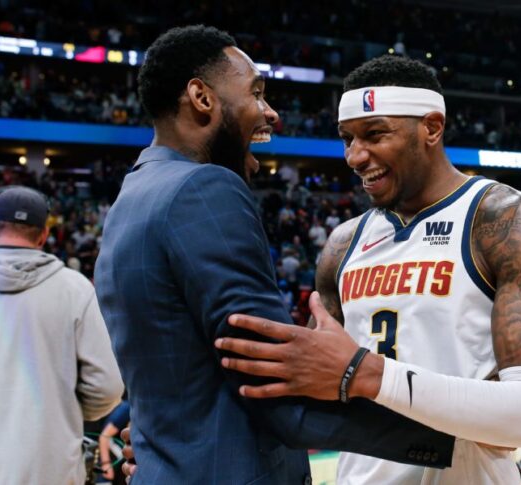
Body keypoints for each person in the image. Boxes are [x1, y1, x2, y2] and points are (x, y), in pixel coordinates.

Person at [94, 26, 454, 485]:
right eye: (257, 93)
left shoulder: (131, 196)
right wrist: (458, 431)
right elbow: (275, 379)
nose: (271, 113)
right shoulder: (205, 189)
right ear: (201, 98)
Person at [215, 55, 521, 484]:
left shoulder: (505, 219)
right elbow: (308, 389)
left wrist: (365, 373)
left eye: (375, 134)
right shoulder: (342, 244)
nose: (355, 156)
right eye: (347, 138)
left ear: (432, 128)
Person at [0, 186, 123, 485]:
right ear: (43, 236)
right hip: (51, 469)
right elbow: (108, 387)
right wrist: (58, 406)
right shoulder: (76, 289)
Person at [98, 400, 130, 483]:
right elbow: (104, 436)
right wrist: (106, 463)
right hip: (109, 459)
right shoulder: (127, 408)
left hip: (121, 462)